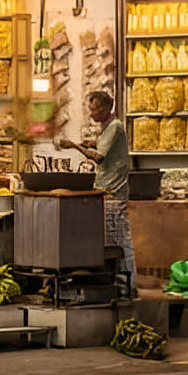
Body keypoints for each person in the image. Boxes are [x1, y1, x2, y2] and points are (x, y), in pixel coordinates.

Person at [60, 90, 136, 296]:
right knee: (111, 239)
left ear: (106, 108)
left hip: (114, 190)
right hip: (105, 190)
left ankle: (128, 287)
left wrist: (74, 146)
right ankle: (118, 285)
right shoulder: (106, 129)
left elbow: (99, 157)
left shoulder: (114, 127)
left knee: (120, 240)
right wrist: (90, 143)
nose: (91, 113)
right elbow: (101, 148)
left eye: (94, 109)